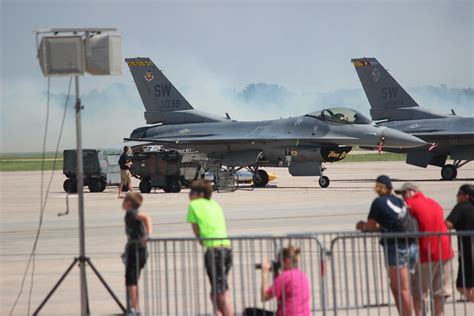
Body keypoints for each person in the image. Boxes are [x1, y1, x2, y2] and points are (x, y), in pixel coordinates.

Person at [356, 175, 417, 316]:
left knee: (402, 288)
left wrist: (363, 226)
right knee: (402, 286)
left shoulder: (379, 202)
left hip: (396, 247)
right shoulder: (399, 201)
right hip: (412, 245)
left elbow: (370, 226)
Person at [395, 183, 454, 316]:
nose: (403, 197)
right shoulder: (434, 202)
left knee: (419, 293)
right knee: (440, 292)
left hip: (426, 253)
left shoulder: (409, 205)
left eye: (404, 193)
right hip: (445, 251)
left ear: (411, 192)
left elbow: (403, 226)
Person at [186, 180, 233, 316]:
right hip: (226, 248)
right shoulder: (215, 204)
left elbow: (196, 231)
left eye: (192, 192)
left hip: (214, 251)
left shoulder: (194, 205)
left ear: (200, 194)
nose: (189, 195)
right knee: (216, 291)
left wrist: (201, 239)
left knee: (221, 293)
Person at [243, 246, 311, 316]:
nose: (279, 265)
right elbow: (280, 292)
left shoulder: (284, 276)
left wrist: (265, 273)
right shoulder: (303, 275)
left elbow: (264, 297)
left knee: (248, 312)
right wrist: (275, 272)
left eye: (279, 261)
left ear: (286, 261)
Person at [122, 192, 152, 316]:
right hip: (135, 250)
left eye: (124, 200)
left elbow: (146, 217)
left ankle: (134, 308)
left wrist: (148, 235)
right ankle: (135, 307)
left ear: (128, 203)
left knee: (131, 280)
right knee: (133, 280)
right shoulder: (129, 214)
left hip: (137, 250)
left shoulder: (131, 213)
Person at [445, 184, 474, 302]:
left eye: (459, 194)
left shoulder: (462, 207)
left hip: (467, 250)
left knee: (462, 285)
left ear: (465, 196)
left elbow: (448, 224)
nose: (457, 196)